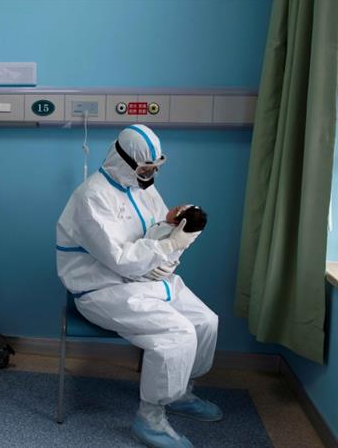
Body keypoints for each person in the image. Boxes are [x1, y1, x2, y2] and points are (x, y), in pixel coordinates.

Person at [56, 125, 221, 448]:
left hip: (145, 280)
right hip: (102, 289)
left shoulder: (143, 189)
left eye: (155, 169)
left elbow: (153, 237)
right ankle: (151, 418)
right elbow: (120, 259)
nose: (150, 176)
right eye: (145, 169)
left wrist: (173, 228)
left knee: (206, 322)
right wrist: (170, 245)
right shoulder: (92, 197)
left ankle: (181, 391)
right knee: (176, 334)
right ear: (123, 160)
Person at [136, 205, 207, 282]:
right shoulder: (179, 234)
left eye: (175, 210)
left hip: (146, 272)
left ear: (177, 222)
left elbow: (145, 252)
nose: (173, 208)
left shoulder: (168, 231)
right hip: (150, 272)